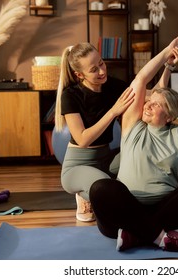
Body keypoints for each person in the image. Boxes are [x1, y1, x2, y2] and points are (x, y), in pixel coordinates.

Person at [89, 34, 178, 254]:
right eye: (148, 101)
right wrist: (167, 55)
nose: (148, 105)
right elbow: (141, 81)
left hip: (165, 207)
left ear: (169, 117)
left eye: (156, 105)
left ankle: (136, 234)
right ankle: (163, 238)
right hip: (127, 207)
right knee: (100, 189)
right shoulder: (133, 125)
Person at [54, 42, 134, 222]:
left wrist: (168, 64)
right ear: (79, 74)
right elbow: (82, 139)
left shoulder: (113, 85)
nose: (102, 71)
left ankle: (87, 192)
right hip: (77, 165)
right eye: (94, 69)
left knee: (139, 157)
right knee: (109, 188)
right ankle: (84, 192)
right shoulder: (71, 95)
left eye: (101, 63)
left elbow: (145, 90)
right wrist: (113, 111)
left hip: (106, 159)